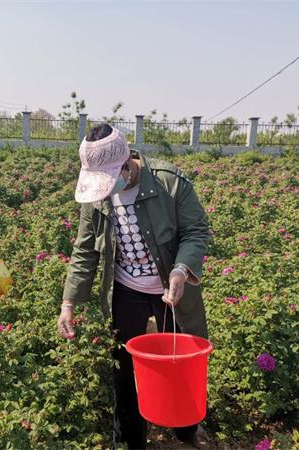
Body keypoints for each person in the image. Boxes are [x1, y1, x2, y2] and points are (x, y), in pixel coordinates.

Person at [57, 124, 211, 449]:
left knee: (180, 362)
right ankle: (129, 440)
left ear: (126, 163)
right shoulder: (98, 198)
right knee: (125, 368)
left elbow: (196, 231)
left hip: (171, 288)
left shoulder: (169, 183)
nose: (108, 188)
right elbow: (85, 249)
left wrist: (181, 271)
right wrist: (68, 303)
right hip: (125, 290)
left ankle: (185, 427)